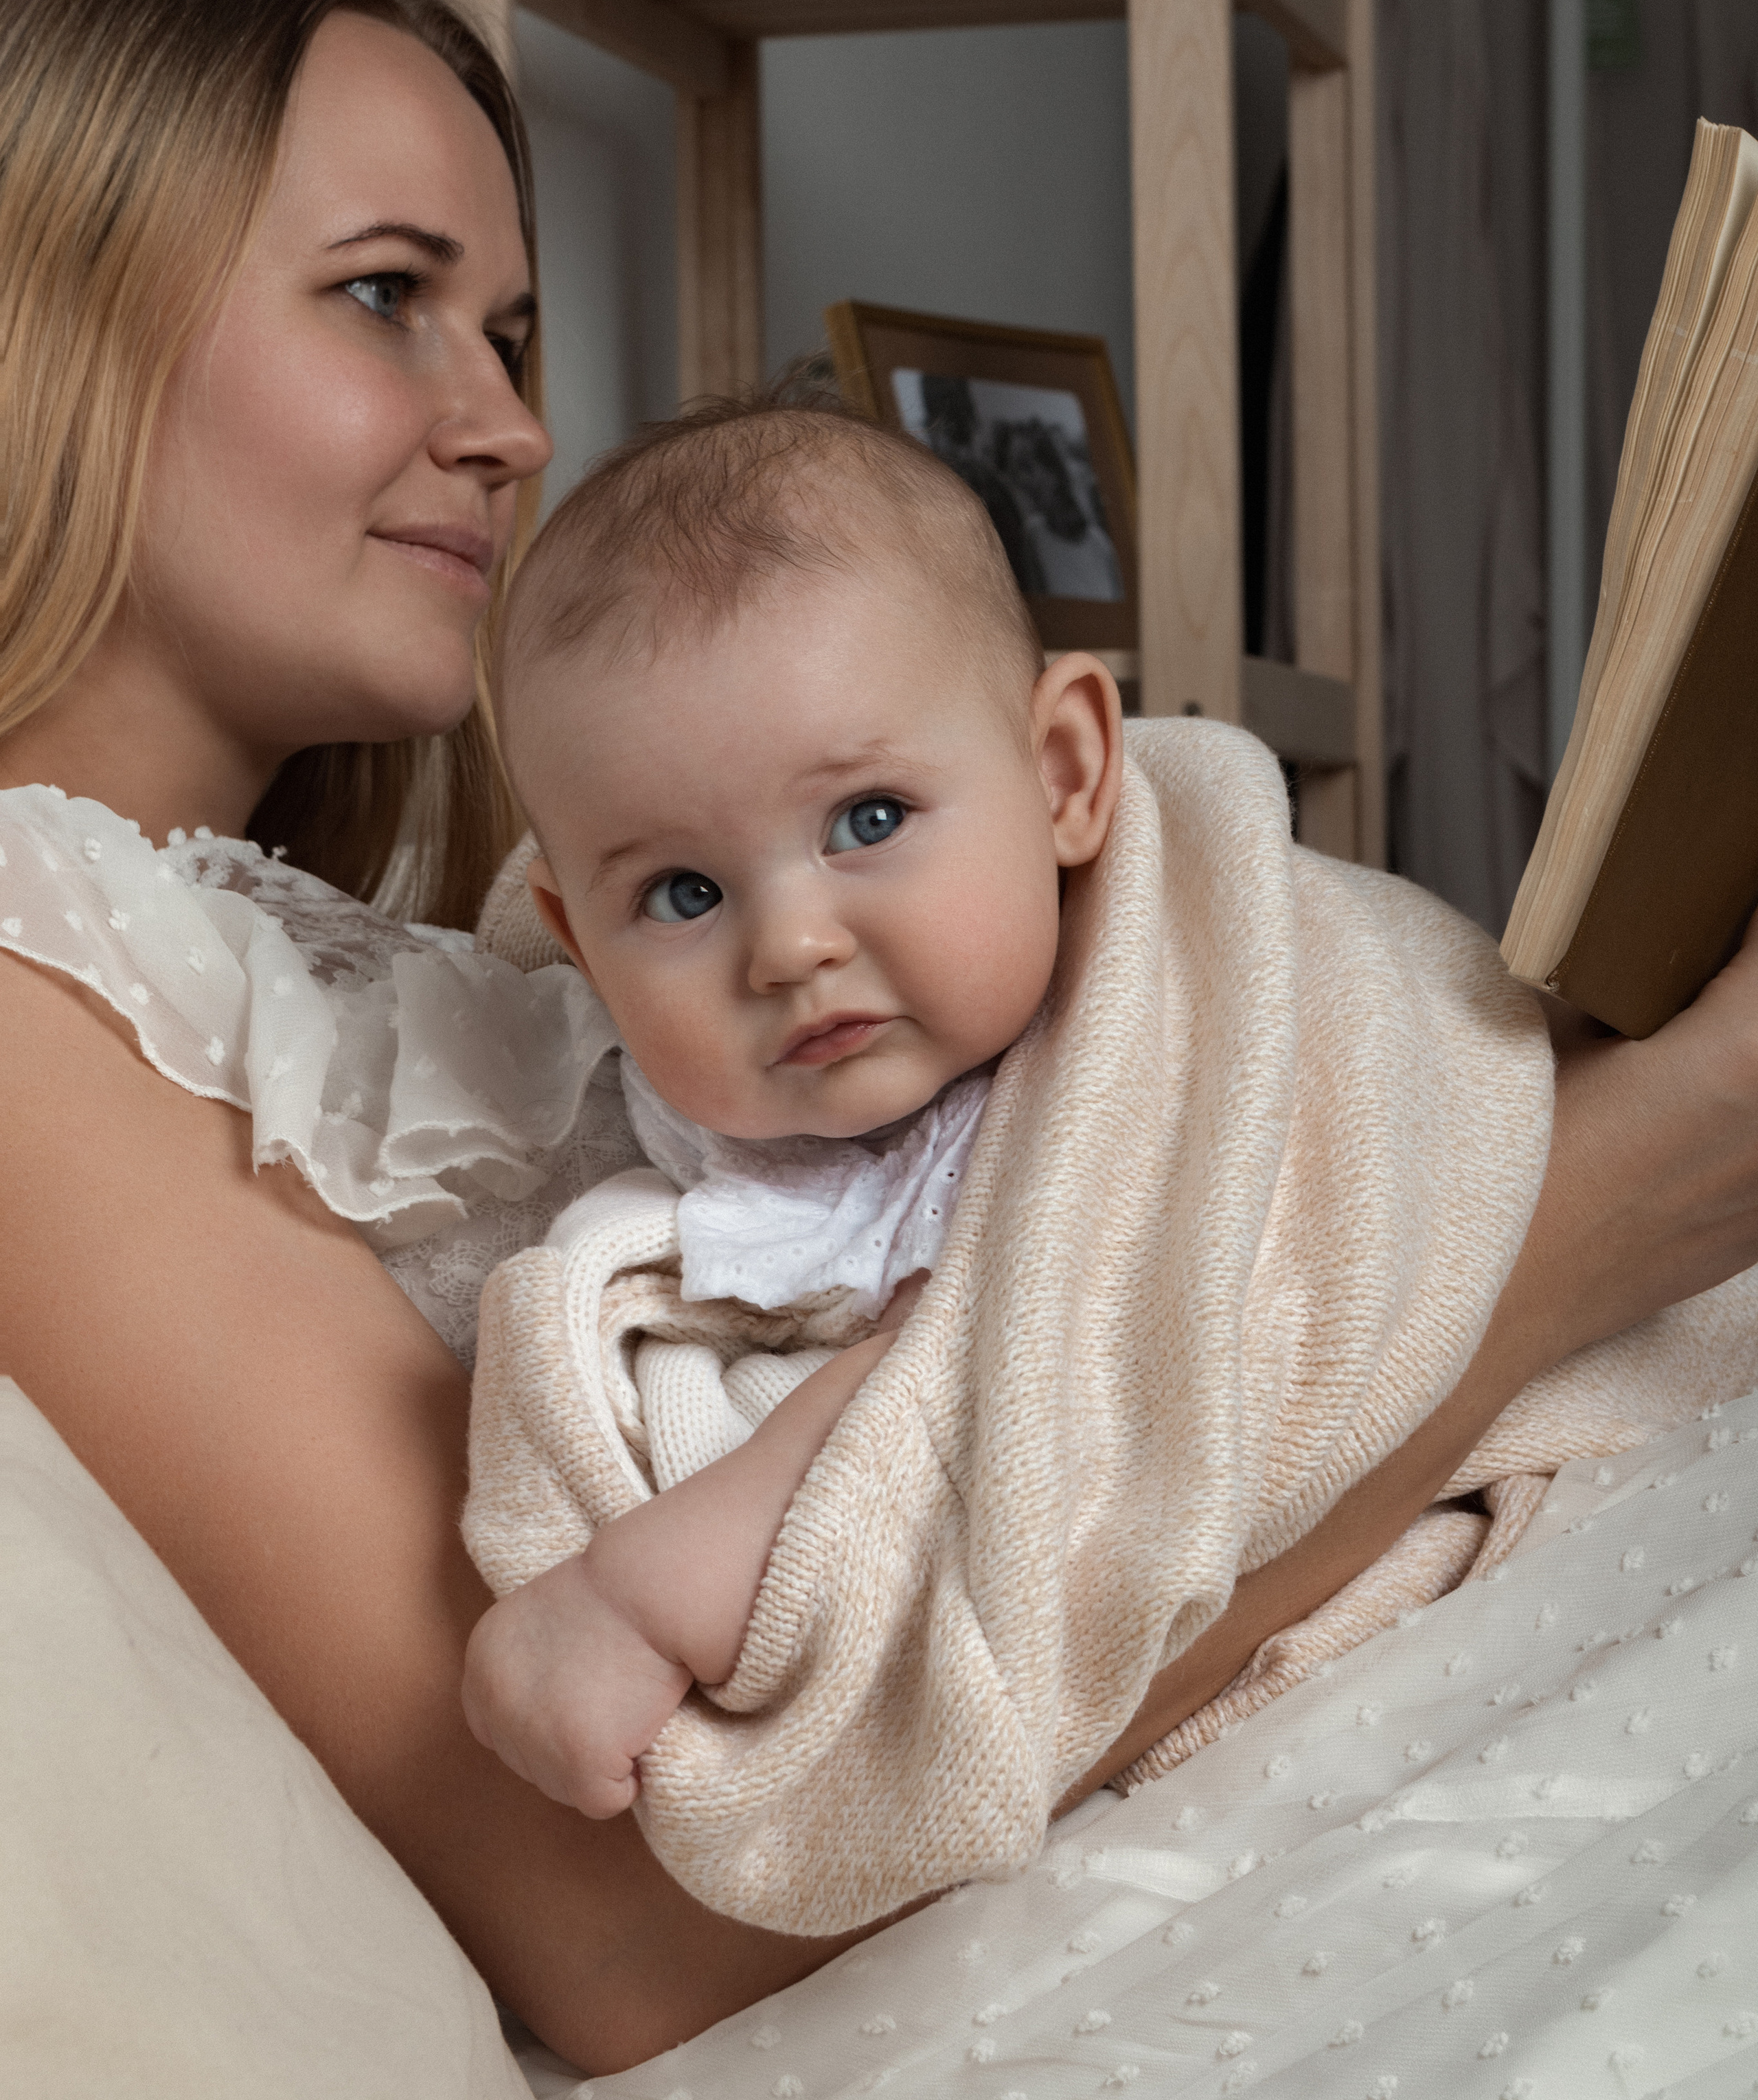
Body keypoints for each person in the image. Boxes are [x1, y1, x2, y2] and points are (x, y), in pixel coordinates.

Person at [3, 0, 1758, 2095]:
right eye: (391, 302)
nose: (513, 431)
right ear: (46, 314)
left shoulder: (455, 964)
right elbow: (629, 1934)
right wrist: (1588, 1218)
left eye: (517, 335)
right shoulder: (29, 1006)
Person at [457, 399, 1754, 1929]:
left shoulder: (1182, 1027)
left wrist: (639, 1588)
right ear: (577, 947)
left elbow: (1019, 1345)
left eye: (866, 818)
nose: (790, 943)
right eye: (678, 893)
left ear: (1066, 771)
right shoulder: (651, 1201)